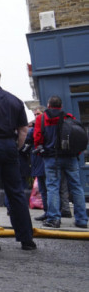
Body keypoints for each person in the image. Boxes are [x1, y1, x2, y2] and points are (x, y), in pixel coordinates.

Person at [0, 66, 36, 251]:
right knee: (16, 192)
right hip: (10, 147)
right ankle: (27, 239)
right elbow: (23, 131)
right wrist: (16, 147)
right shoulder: (15, 101)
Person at [33, 96, 88, 229]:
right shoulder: (68, 117)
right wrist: (76, 154)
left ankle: (54, 219)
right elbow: (78, 137)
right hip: (70, 158)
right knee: (76, 187)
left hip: (51, 158)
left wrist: (42, 151)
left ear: (48, 105)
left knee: (52, 187)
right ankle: (81, 220)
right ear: (61, 106)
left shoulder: (41, 119)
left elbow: (37, 139)